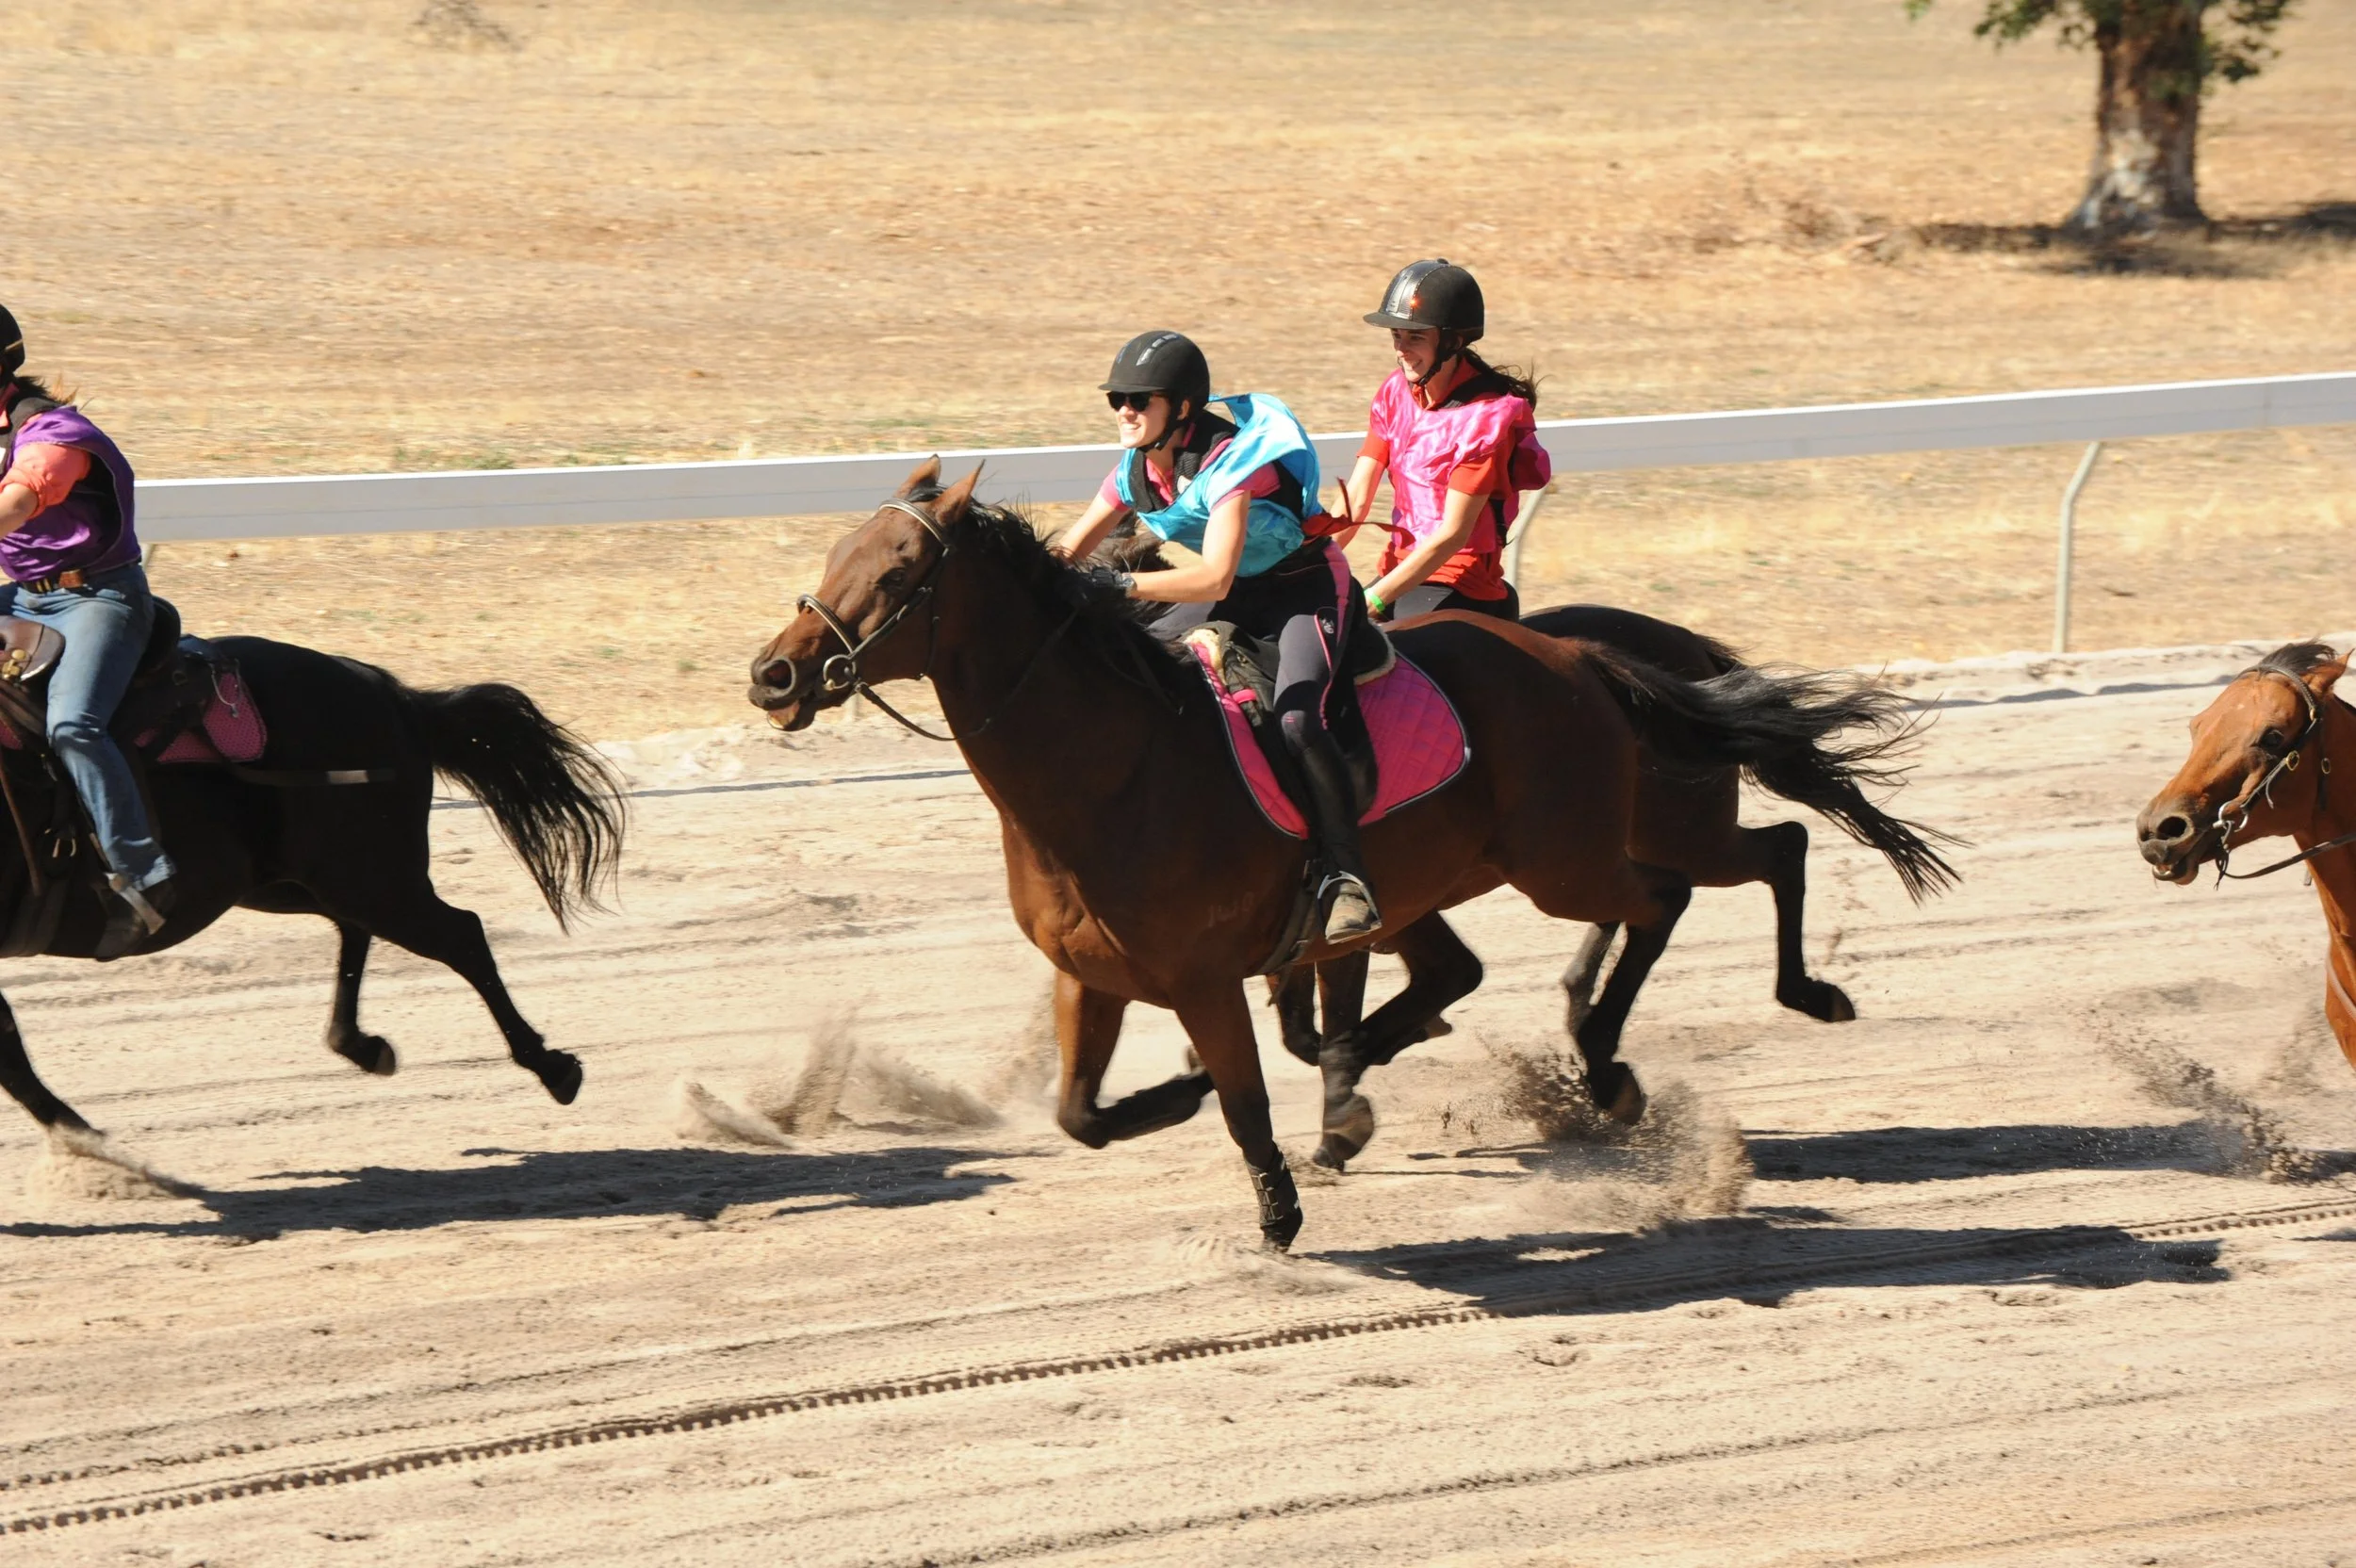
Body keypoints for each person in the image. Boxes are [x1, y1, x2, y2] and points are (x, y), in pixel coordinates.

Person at [1052, 330, 1381, 941]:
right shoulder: (1132, 471)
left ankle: (1345, 874)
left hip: (1303, 590)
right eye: (1116, 397)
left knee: (1297, 722)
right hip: (1232, 595)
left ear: (1180, 408)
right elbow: (1070, 550)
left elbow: (1213, 576)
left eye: (1139, 398)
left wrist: (1119, 589)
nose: (1125, 409)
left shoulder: (1232, 463)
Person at [0, 304, 177, 956]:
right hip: (21, 596)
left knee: (75, 726)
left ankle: (145, 871)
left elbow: (17, 502)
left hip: (99, 600)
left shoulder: (55, 433)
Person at [1341, 259, 1551, 623]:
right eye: (1397, 336)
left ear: (1453, 342)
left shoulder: (1484, 422)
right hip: (1401, 568)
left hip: (1460, 580)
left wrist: (1374, 600)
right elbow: (1357, 499)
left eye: (1416, 337)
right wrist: (1309, 562)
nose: (1401, 350)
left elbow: (1452, 534)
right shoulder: (1395, 394)